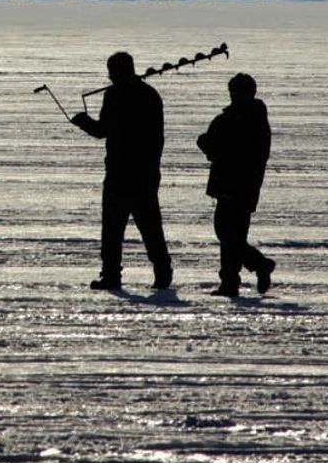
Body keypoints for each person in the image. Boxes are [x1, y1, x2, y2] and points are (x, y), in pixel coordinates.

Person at [71, 51, 173, 291]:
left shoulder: (116, 95)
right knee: (149, 226)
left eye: (112, 72)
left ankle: (112, 276)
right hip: (145, 172)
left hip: (122, 172)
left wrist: (82, 121)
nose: (110, 77)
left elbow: (102, 130)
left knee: (114, 228)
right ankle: (162, 272)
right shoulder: (149, 94)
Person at [197, 72, 275, 297]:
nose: (233, 96)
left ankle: (256, 267)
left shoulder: (243, 119)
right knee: (232, 236)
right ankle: (231, 281)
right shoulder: (244, 117)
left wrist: (208, 144)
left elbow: (227, 151)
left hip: (236, 185)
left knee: (227, 233)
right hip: (238, 185)